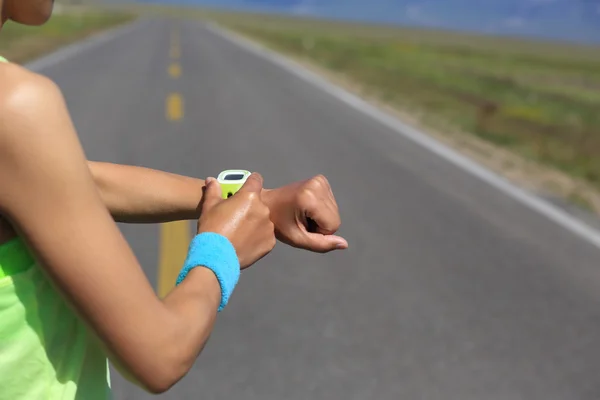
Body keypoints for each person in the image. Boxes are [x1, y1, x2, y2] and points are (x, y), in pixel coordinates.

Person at [0, 1, 348, 399]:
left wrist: (255, 200)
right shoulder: (14, 106)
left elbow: (63, 182)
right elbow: (161, 354)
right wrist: (220, 251)